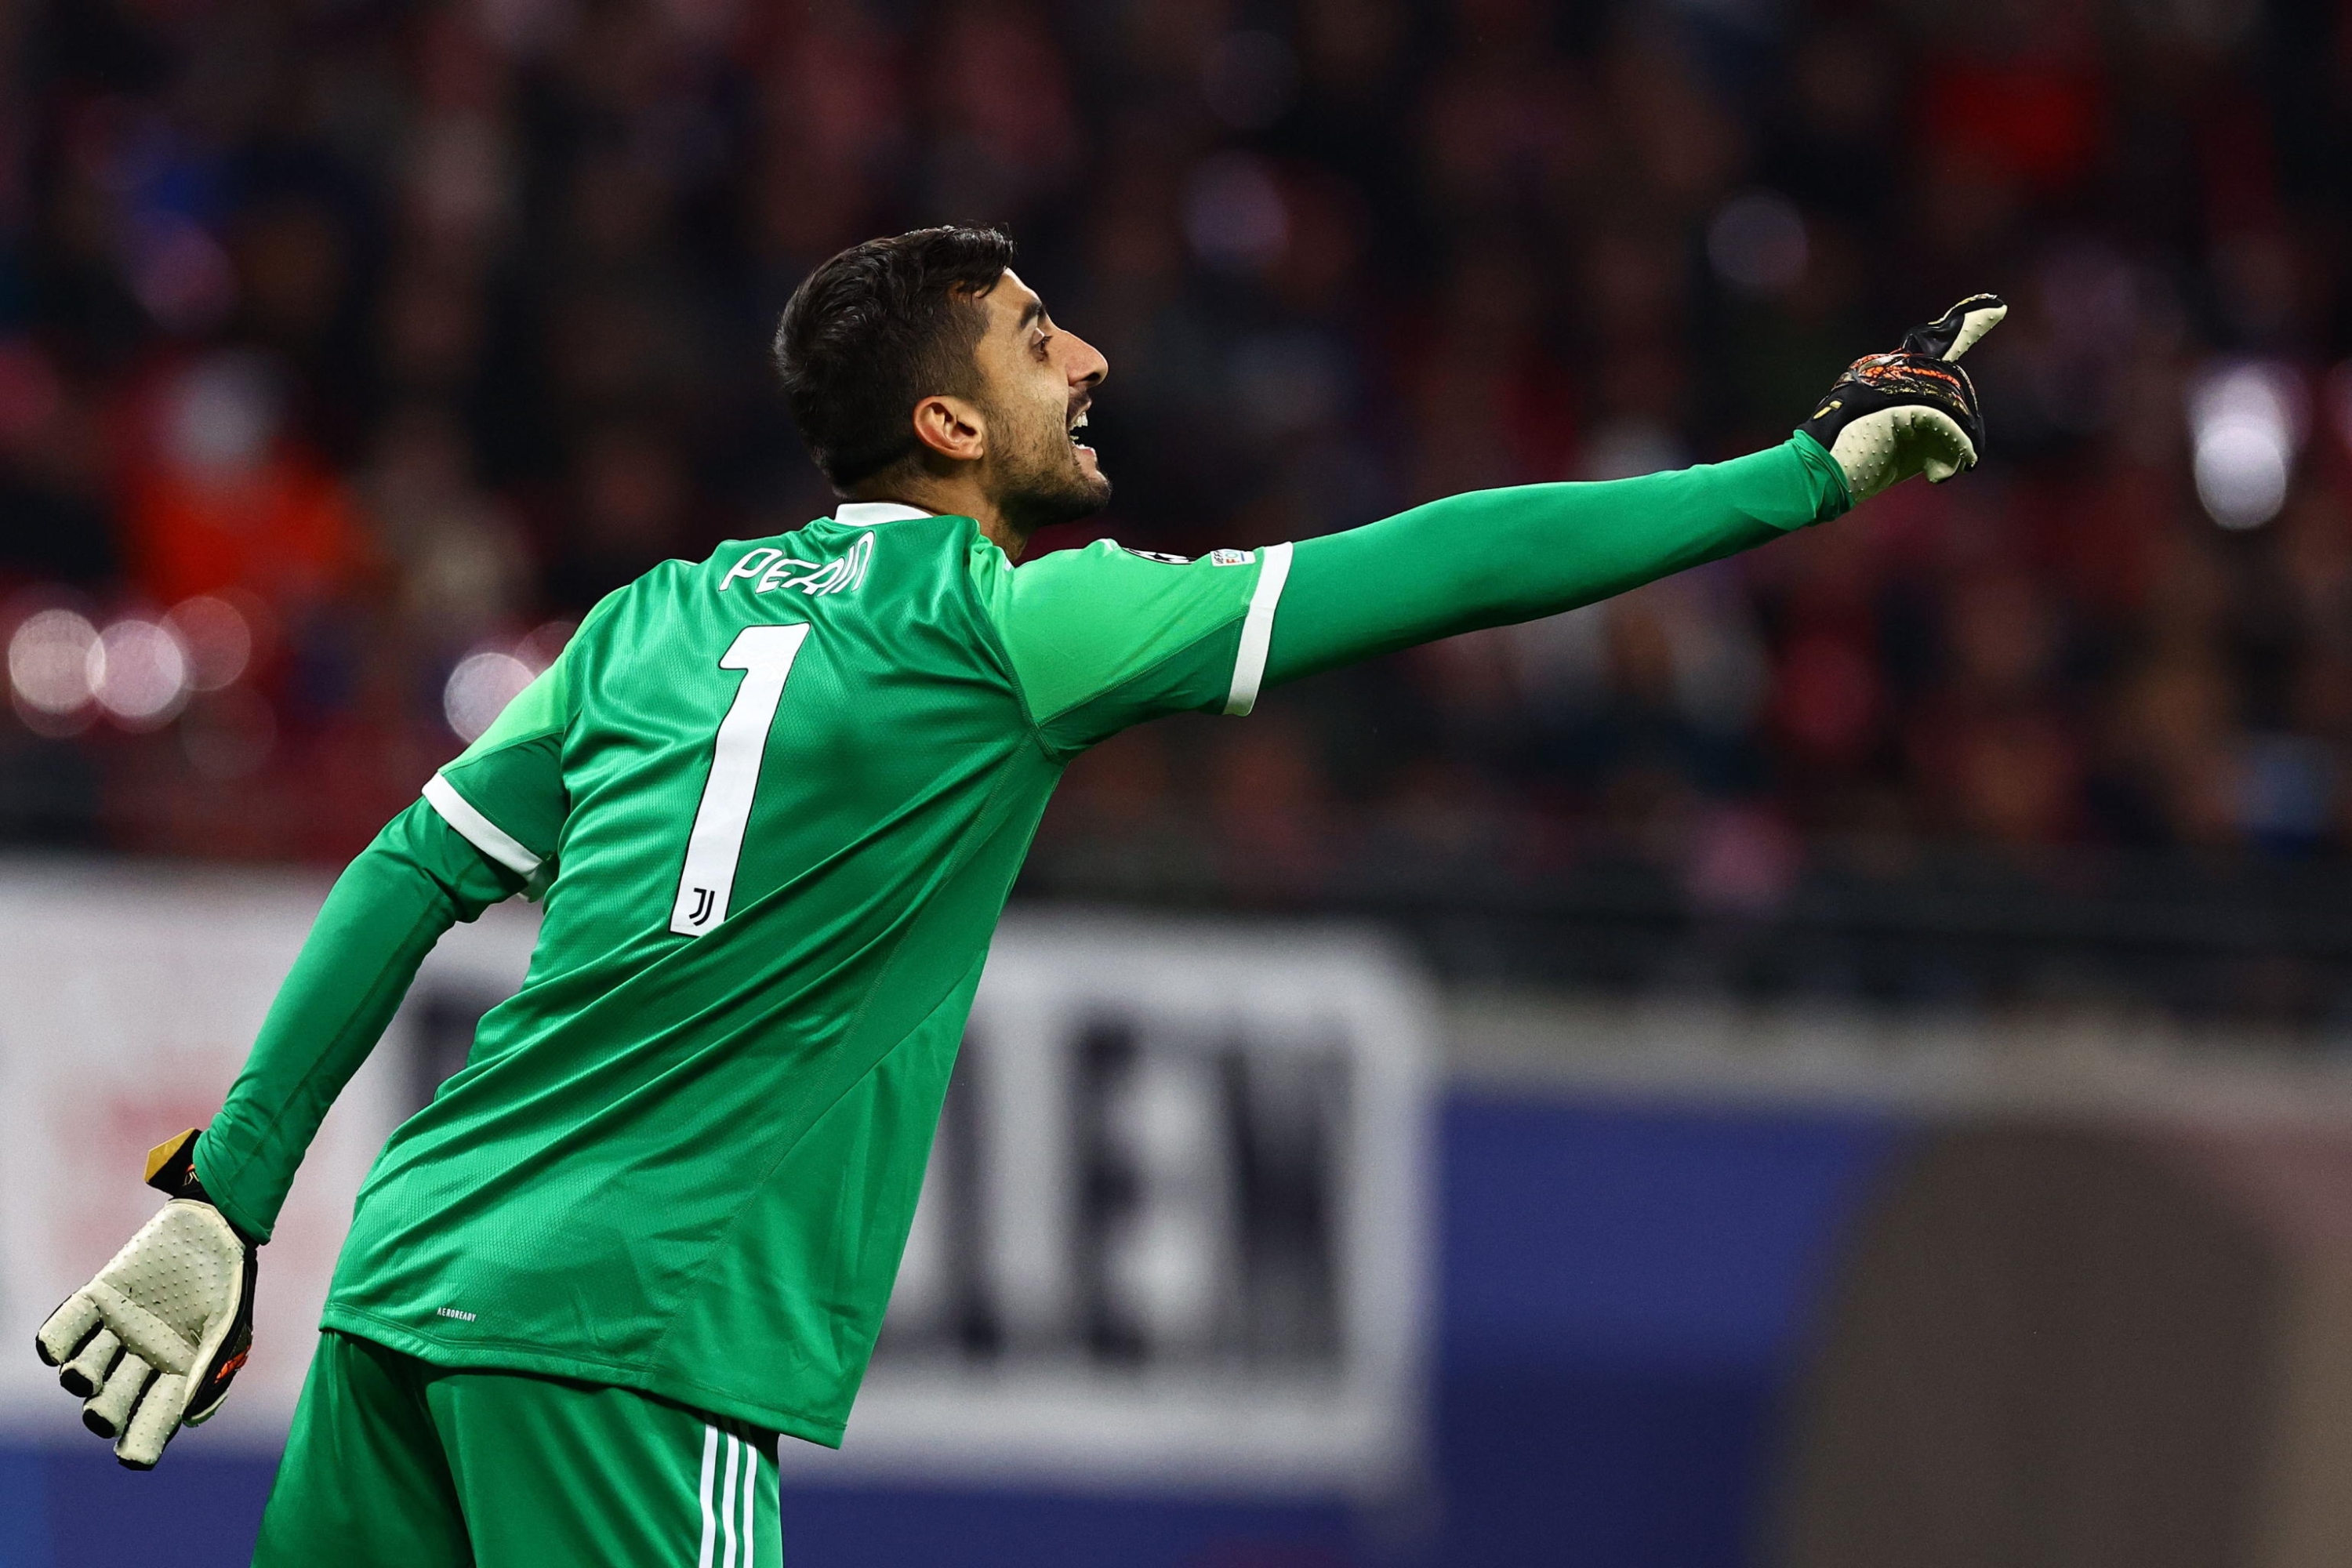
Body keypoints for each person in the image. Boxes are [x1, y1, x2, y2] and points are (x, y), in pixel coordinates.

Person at [35, 224, 2002, 1566]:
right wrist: (1792, 478)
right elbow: (1440, 562)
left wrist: (232, 1190)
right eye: (1040, 334)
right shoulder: (1017, 626)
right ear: (951, 424)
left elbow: (405, 871)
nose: (1094, 357)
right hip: (634, 1334)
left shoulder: (651, 618)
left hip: (405, 1289)